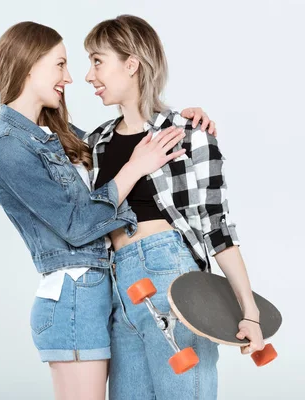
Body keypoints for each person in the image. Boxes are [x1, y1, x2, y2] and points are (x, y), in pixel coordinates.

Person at [0, 21, 216, 400]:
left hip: (106, 293)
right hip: (75, 299)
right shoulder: (8, 146)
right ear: (30, 65)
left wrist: (178, 121)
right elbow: (77, 223)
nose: (72, 77)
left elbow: (117, 148)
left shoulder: (54, 136)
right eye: (60, 65)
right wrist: (136, 166)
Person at [82, 14, 264, 399]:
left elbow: (218, 226)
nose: (88, 75)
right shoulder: (96, 143)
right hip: (119, 291)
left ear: (131, 64)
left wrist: (250, 310)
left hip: (172, 280)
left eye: (97, 61)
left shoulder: (190, 135)